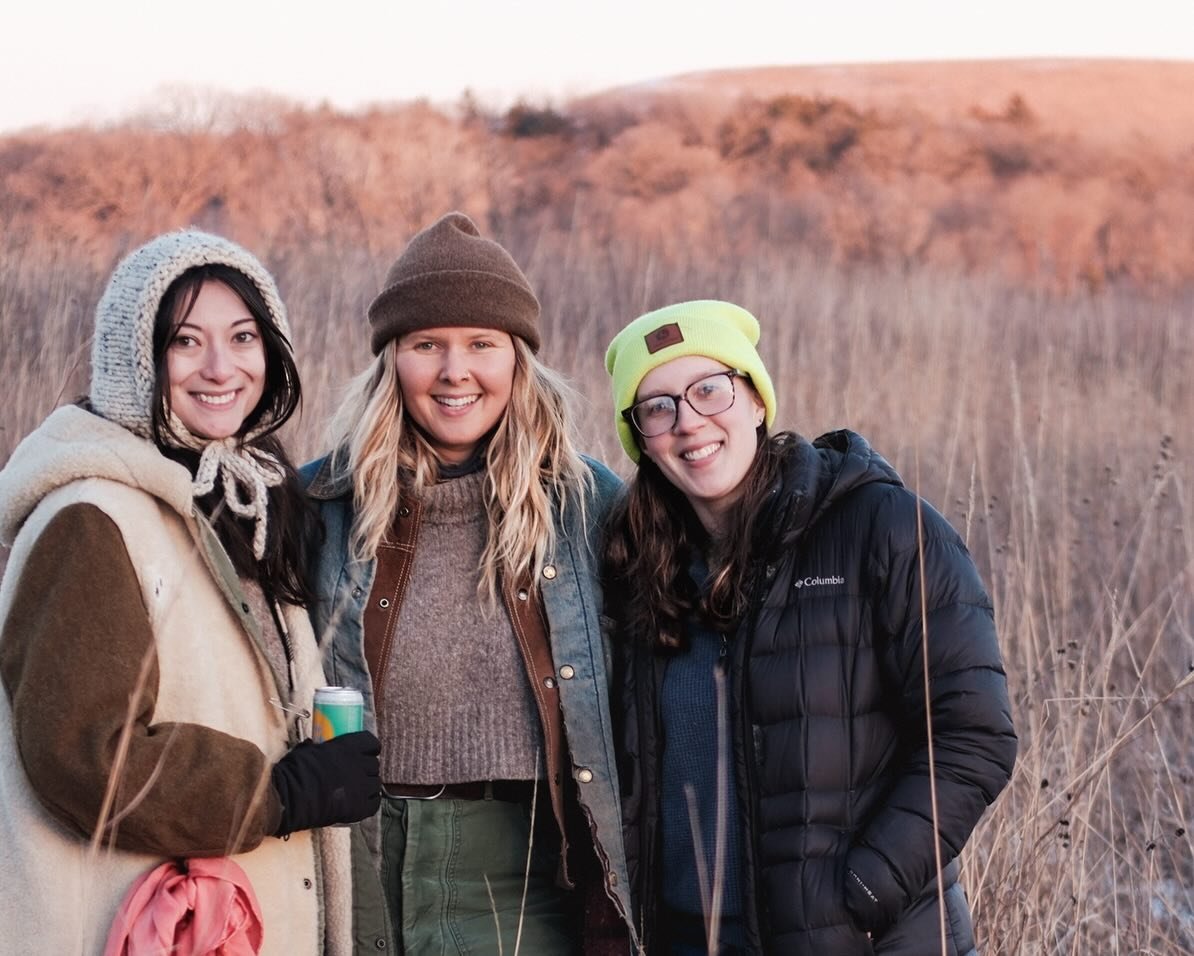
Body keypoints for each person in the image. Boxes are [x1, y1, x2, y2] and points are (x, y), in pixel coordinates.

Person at [0, 230, 381, 955]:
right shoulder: (91, 517)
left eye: (243, 337)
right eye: (184, 341)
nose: (221, 367)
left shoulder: (244, 502)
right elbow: (84, 754)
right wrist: (279, 793)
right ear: (134, 361)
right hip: (118, 928)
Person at [602, 300, 1018, 955]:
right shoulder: (637, 569)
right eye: (658, 408)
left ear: (756, 400)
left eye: (710, 389)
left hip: (859, 940)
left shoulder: (881, 528)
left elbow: (974, 737)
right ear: (641, 439)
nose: (689, 422)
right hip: (687, 940)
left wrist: (864, 895)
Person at [302, 212, 637, 954]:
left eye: (482, 344)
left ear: (519, 359)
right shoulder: (319, 507)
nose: (456, 371)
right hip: (357, 863)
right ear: (392, 361)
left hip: (528, 872)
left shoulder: (589, 506)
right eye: (428, 345)